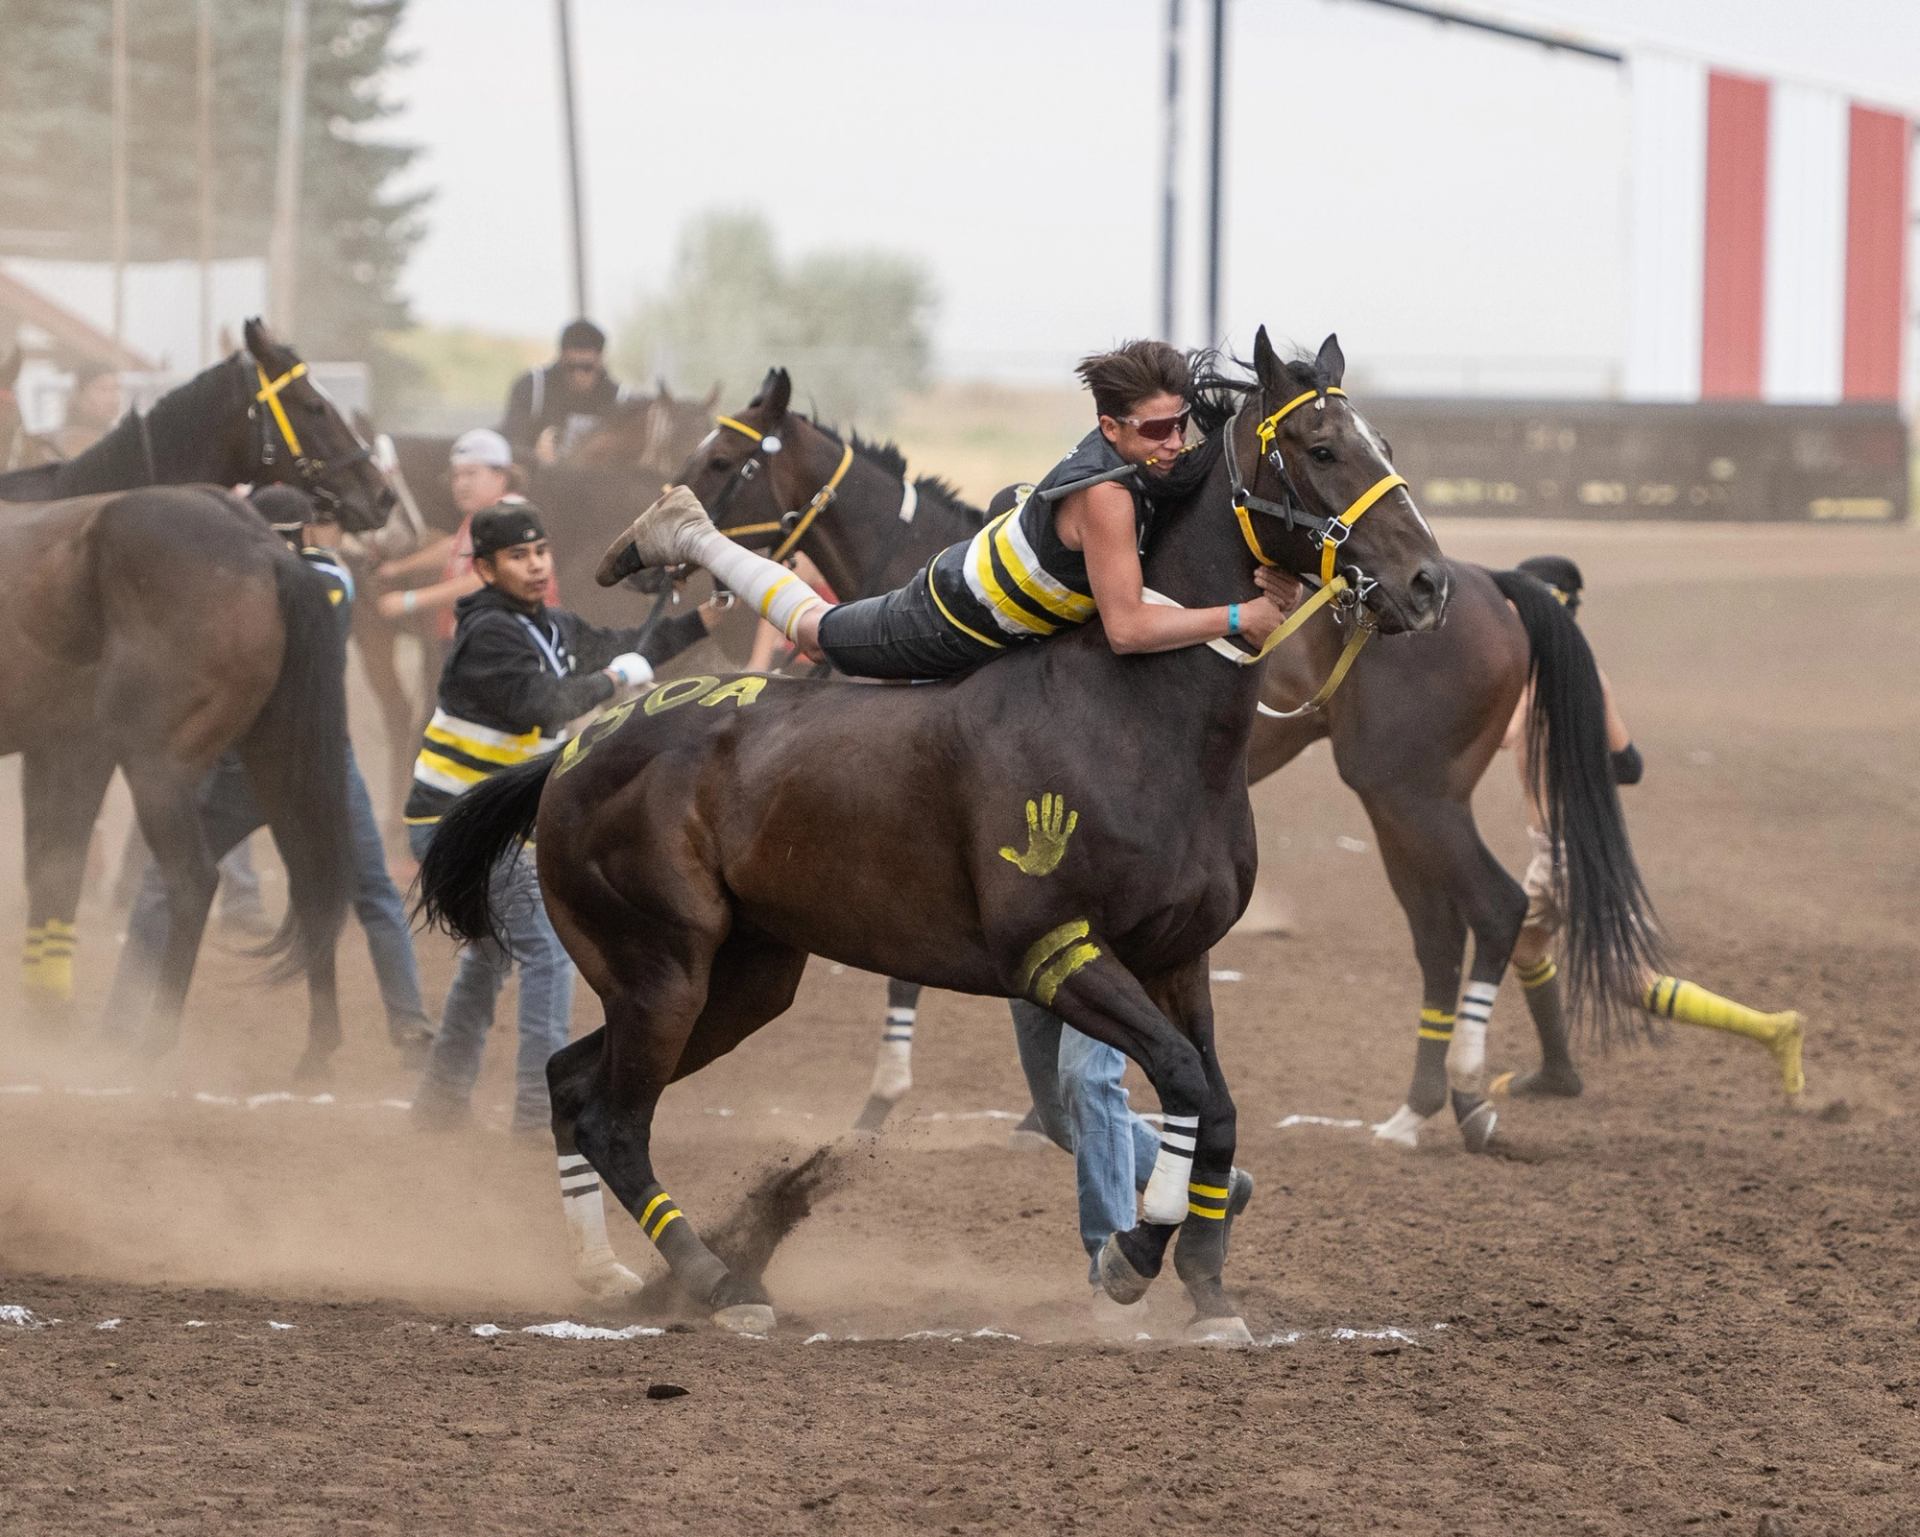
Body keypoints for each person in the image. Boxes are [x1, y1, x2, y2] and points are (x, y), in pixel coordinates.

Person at [600, 340, 1278, 1302]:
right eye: (1157, 431)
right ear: (1111, 431)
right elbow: (1127, 627)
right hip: (954, 617)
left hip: (1020, 631)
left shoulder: (1151, 469)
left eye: (1184, 427)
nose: (1176, 445)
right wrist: (1236, 619)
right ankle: (695, 535)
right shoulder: (1111, 494)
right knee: (817, 633)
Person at [405, 502, 726, 1134]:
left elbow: (620, 646)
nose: (535, 566)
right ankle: (535, 1114)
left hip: (489, 828)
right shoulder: (488, 634)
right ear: (486, 569)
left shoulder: (545, 624)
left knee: (492, 956)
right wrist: (613, 679)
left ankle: (440, 1102)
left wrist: (703, 619)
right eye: (519, 557)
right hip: (453, 828)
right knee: (547, 955)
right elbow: (542, 703)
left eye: (541, 552)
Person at [104, 486, 436, 1061]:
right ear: (307, 532)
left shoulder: (239, 590)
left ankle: (125, 1016)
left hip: (238, 762)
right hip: (320, 762)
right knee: (371, 889)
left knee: (165, 880)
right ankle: (405, 1022)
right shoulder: (331, 579)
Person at [1495, 554, 1806, 1102]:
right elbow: (1629, 763)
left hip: (1570, 853)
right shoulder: (1589, 676)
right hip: (1566, 846)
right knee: (1524, 945)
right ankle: (1557, 1070)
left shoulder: (1537, 678)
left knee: (1629, 983)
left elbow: (1501, 736)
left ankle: (1770, 1029)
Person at [373, 428, 551, 635]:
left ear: (501, 476)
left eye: (471, 473)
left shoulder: (511, 515)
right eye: (456, 476)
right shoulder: (482, 516)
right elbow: (454, 548)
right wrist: (398, 568)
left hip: (510, 641)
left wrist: (410, 600)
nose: (461, 484)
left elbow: (487, 580)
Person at [499, 319, 629, 466]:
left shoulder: (619, 398)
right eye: (570, 367)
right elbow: (508, 442)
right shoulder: (535, 387)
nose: (578, 375)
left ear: (600, 360)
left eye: (587, 367)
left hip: (595, 483)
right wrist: (535, 456)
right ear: (560, 359)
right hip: (538, 480)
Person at [49, 363, 123, 457]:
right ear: (80, 395)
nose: (114, 399)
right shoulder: (66, 443)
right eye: (103, 389)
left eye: (116, 389)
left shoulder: (117, 437)